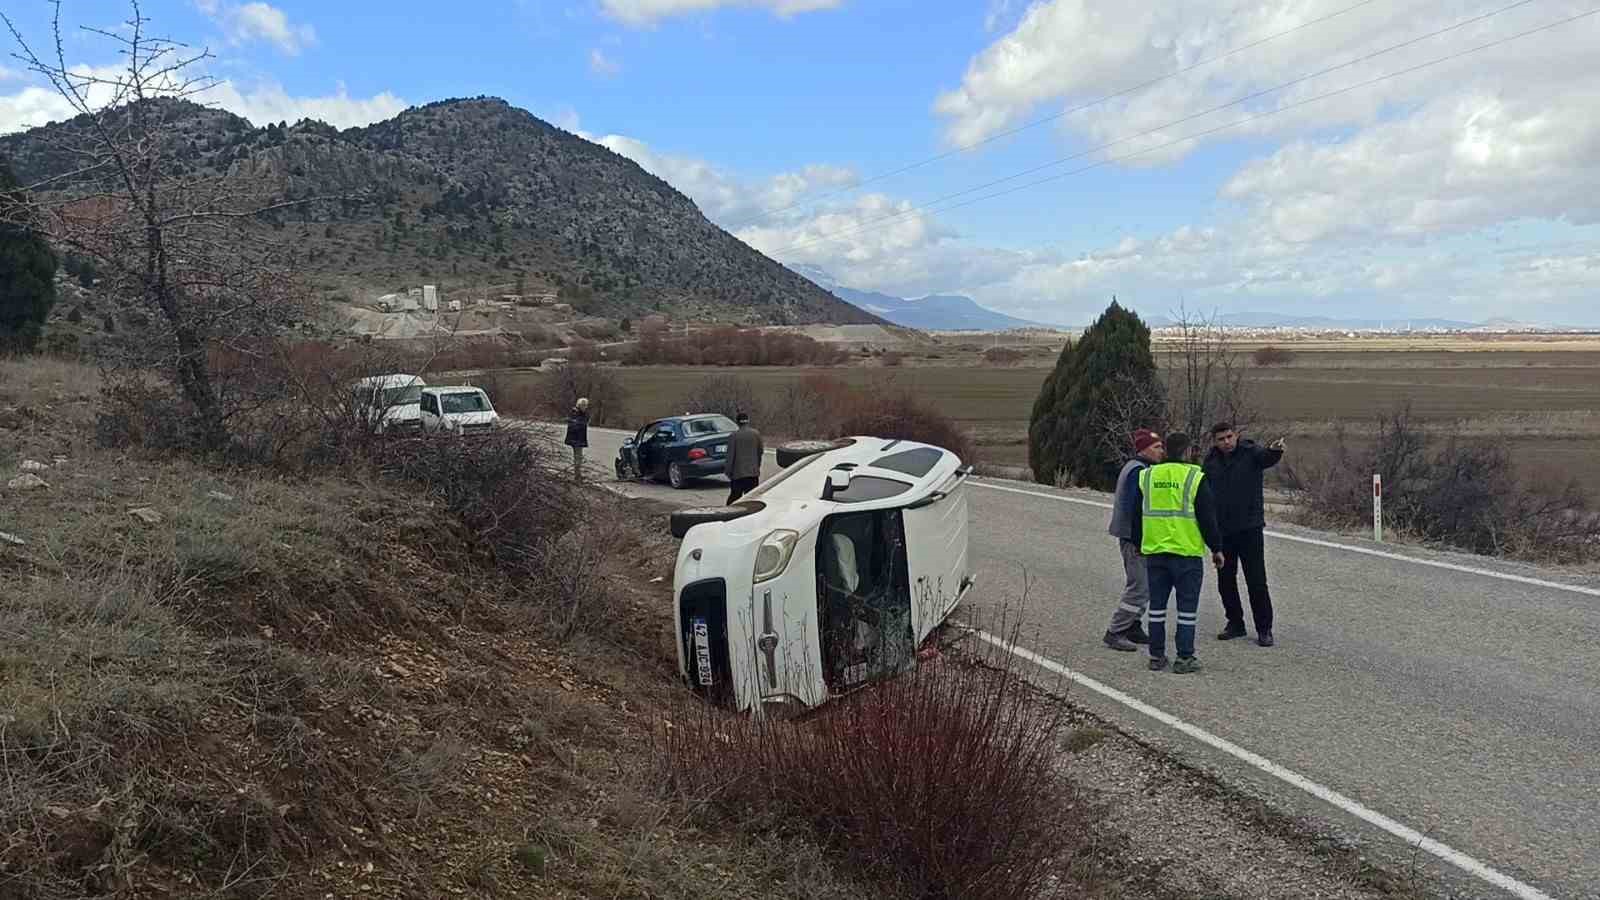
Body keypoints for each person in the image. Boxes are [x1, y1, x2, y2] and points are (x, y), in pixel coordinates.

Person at [1132, 432, 1224, 674]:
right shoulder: (1194, 476)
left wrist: (1138, 543)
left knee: (1157, 608)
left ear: (1165, 451)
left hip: (1156, 552)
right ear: (1186, 451)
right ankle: (1184, 658)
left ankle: (1156, 656)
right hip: (1186, 553)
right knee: (1186, 609)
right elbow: (1207, 517)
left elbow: (1135, 514)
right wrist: (1216, 548)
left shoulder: (1147, 476)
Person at [1203, 422, 1286, 647]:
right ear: (1215, 441)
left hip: (1250, 528)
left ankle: (1264, 629)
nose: (1226, 442)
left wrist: (1276, 450)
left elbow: (1267, 458)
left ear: (1236, 435)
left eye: (1229, 437)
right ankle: (1235, 623)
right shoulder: (1210, 462)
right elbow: (1204, 494)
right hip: (1223, 530)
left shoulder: (1251, 452)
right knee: (1225, 581)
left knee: (1256, 580)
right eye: (1221, 439)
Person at [1103, 428, 1165, 652]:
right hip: (1134, 539)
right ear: (1143, 449)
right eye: (1157, 447)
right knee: (1139, 586)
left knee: (1146, 585)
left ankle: (1133, 626)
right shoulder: (1138, 471)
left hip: (1138, 538)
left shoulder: (1141, 468)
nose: (1162, 451)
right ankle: (1116, 631)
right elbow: (1135, 510)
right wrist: (1140, 542)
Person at [725, 411, 764, 503]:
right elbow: (760, 452)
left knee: (735, 498)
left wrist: (728, 471)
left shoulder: (733, 436)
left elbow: (730, 455)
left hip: (738, 474)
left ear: (737, 422)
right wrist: (757, 466)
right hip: (752, 473)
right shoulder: (756, 434)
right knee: (751, 498)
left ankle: (729, 515)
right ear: (748, 421)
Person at [564, 398, 589, 483]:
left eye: (586, 405)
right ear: (580, 405)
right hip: (576, 439)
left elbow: (584, 421)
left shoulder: (582, 413)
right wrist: (580, 423)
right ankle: (577, 477)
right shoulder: (575, 413)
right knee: (578, 458)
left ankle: (578, 475)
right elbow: (574, 425)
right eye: (584, 405)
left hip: (579, 438)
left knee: (579, 458)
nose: (585, 407)